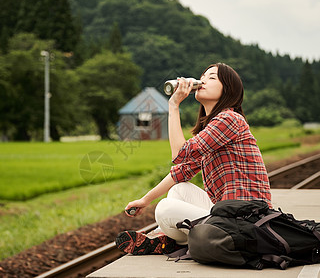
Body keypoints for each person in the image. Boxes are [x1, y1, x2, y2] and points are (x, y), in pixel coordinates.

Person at [115, 63, 272, 255]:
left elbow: (179, 154)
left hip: (247, 220)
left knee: (165, 208)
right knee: (179, 190)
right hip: (228, 214)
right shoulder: (213, 128)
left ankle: (169, 239)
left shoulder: (230, 119)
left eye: (212, 78)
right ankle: (173, 241)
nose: (203, 80)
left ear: (228, 90)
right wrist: (145, 200)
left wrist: (173, 106)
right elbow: (181, 170)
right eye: (203, 76)